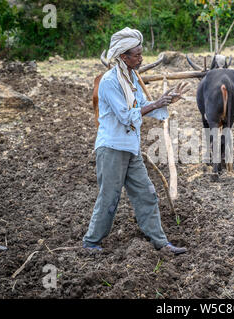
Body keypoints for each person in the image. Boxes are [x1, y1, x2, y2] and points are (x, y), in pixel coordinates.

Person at [82, 27, 189, 255]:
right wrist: (156, 103)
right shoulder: (110, 82)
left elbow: (142, 107)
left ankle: (161, 242)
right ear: (123, 56)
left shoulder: (131, 78)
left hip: (131, 148)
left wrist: (167, 101)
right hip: (111, 148)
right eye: (137, 55)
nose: (141, 59)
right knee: (109, 197)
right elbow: (125, 115)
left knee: (147, 194)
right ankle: (91, 242)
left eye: (141, 54)